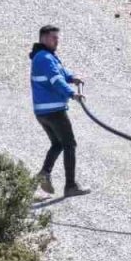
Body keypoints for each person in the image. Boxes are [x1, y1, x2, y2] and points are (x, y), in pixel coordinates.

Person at [30, 25, 90, 197]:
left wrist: (72, 77)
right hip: (54, 111)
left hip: (42, 112)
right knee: (69, 144)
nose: (57, 41)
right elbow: (56, 80)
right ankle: (70, 186)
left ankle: (44, 174)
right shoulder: (45, 58)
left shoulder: (45, 57)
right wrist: (72, 94)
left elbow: (61, 73)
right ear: (43, 39)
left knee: (58, 144)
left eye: (57, 38)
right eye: (53, 38)